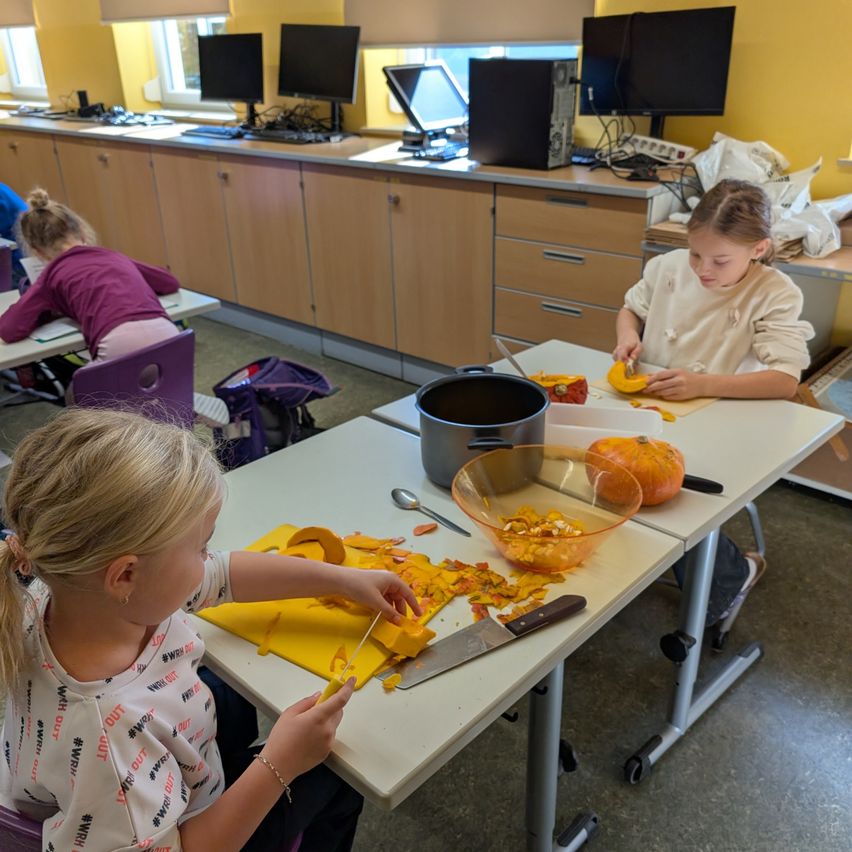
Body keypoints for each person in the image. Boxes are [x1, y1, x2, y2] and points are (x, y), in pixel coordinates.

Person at [0, 407, 422, 851]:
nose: (208, 558)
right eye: (200, 547)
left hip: (171, 771)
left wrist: (343, 580)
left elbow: (224, 575)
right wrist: (280, 761)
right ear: (125, 575)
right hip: (187, 826)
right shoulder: (108, 737)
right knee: (338, 779)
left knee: (226, 689)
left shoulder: (74, 588)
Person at [612, 178, 814, 628]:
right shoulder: (667, 267)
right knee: (611, 468)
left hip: (722, 414)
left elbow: (784, 380)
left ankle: (733, 575)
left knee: (674, 494)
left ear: (758, 249)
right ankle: (637, 562)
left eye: (720, 260)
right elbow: (632, 309)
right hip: (656, 405)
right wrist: (629, 336)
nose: (703, 269)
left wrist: (702, 383)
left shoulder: (775, 293)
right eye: (695, 254)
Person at [0, 188, 181, 363]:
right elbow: (169, 282)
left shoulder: (50, 276)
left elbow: (8, 329)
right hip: (171, 336)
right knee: (163, 389)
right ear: (81, 231)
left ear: (38, 252)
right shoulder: (113, 256)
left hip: (118, 344)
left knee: (76, 392)